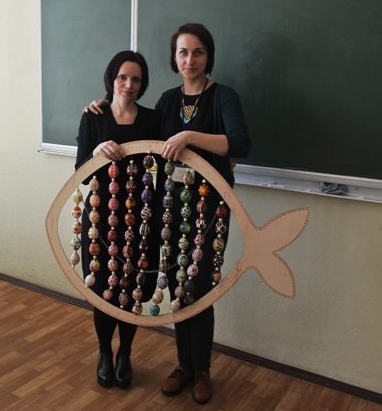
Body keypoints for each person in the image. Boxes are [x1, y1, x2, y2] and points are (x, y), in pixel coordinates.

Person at [85, 23, 251, 405]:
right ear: (174, 58)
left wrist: (190, 137)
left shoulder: (222, 96)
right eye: (182, 52)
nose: (189, 60)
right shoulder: (166, 101)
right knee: (178, 285)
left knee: (200, 287)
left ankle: (202, 369)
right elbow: (136, 131)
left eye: (197, 52)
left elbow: (240, 144)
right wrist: (100, 105)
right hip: (170, 209)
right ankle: (183, 365)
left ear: (208, 56)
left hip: (209, 210)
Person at [75, 50, 161, 390]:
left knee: (133, 289)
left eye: (136, 79)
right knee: (103, 289)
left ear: (143, 84)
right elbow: (82, 175)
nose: (128, 84)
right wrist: (96, 153)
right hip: (101, 219)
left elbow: (168, 162)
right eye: (122, 77)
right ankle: (104, 353)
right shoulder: (93, 117)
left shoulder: (153, 119)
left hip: (141, 220)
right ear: (112, 79)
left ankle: (125, 353)